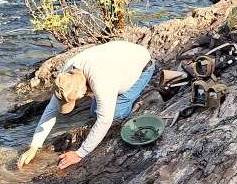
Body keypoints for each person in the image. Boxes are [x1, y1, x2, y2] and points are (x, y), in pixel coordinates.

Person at [17, 40, 155, 171]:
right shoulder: (66, 75)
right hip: (119, 58)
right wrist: (34, 146)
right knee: (96, 111)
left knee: (115, 115)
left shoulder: (101, 81)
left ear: (84, 91)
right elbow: (51, 110)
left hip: (143, 65)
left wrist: (79, 154)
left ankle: (144, 88)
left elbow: (104, 121)